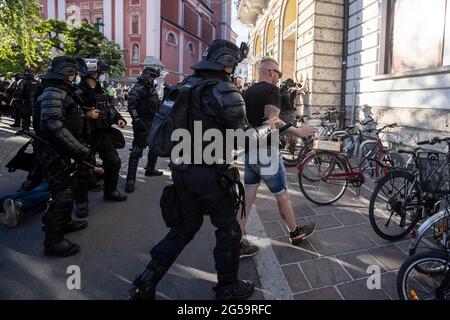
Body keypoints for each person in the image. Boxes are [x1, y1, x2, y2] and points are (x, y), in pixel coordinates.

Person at [128, 39, 256, 301]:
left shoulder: (186, 84)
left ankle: (145, 281)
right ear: (228, 63)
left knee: (186, 227)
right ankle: (227, 288)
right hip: (210, 173)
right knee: (228, 230)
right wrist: (272, 129)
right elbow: (245, 138)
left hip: (181, 169)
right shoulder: (224, 89)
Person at [239, 57, 317, 256]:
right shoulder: (272, 90)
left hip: (250, 151)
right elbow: (271, 120)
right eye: (279, 74)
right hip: (266, 152)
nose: (279, 78)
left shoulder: (246, 92)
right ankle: (295, 232)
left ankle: (235, 240)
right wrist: (298, 131)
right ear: (271, 72)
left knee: (248, 197)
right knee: (282, 195)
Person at [33, 56, 94, 257]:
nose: (77, 76)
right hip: (54, 151)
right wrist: (79, 149)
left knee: (68, 188)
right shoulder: (52, 91)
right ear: (67, 73)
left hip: (63, 150)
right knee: (61, 193)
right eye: (75, 73)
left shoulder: (62, 90)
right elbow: (53, 125)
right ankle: (53, 241)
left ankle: (65, 224)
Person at [77, 58, 128, 203]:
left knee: (113, 161)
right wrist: (85, 114)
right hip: (85, 134)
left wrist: (119, 119)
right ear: (90, 73)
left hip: (102, 132)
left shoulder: (101, 88)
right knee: (83, 168)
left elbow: (109, 107)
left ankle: (110, 191)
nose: (99, 74)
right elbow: (70, 112)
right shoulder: (78, 91)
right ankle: (81, 203)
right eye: (97, 71)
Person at [125, 66, 163, 193]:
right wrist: (136, 120)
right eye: (151, 76)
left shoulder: (151, 88)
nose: (152, 79)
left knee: (154, 147)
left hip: (152, 121)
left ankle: (150, 169)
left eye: (154, 77)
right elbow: (131, 104)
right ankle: (130, 180)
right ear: (146, 75)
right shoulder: (138, 87)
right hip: (142, 122)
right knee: (137, 150)